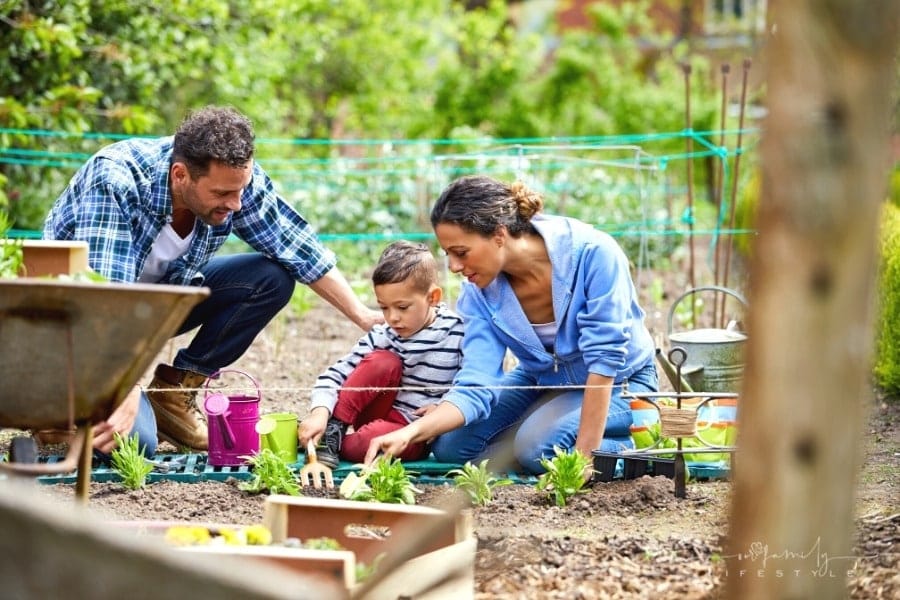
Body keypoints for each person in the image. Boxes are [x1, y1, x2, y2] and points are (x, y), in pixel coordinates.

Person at [42, 105, 382, 457]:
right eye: (221, 195)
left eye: (240, 190)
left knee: (270, 278)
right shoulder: (115, 180)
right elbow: (101, 300)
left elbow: (296, 247)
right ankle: (53, 408)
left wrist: (362, 315)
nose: (235, 204)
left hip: (151, 308)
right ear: (180, 175)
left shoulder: (233, 181)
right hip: (72, 327)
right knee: (135, 442)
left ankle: (172, 396)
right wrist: (124, 390)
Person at [364, 175, 658, 475]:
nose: (452, 267)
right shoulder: (478, 292)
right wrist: (412, 432)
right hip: (541, 380)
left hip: (623, 383)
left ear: (499, 235)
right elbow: (477, 380)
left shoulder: (592, 254)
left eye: (461, 252)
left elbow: (604, 361)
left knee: (539, 450)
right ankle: (539, 430)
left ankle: (644, 442)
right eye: (448, 254)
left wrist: (584, 460)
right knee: (451, 446)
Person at [299, 240, 464, 468]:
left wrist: (444, 407)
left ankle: (330, 442)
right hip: (376, 411)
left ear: (433, 297)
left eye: (402, 307)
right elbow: (335, 375)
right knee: (382, 361)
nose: (392, 317)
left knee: (369, 441)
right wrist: (320, 412)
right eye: (384, 307)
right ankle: (332, 431)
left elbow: (470, 384)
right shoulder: (385, 334)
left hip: (413, 432)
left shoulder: (457, 333)